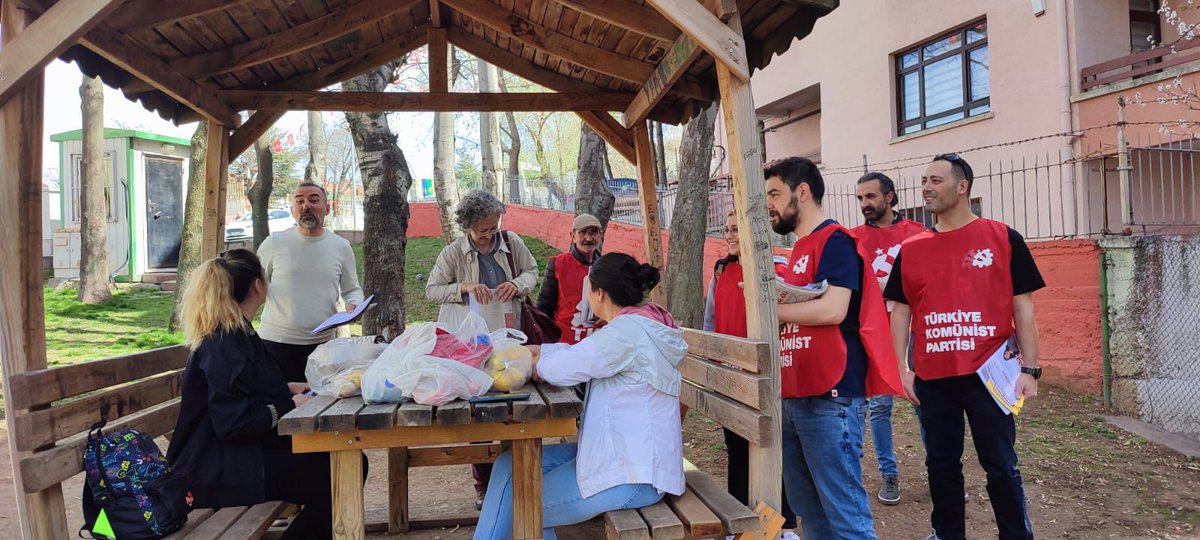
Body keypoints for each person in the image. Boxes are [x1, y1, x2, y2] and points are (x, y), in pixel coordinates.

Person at [884, 154, 1043, 540]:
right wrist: (901, 369)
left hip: (989, 376)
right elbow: (901, 313)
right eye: (924, 180)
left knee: (1001, 464)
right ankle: (947, 532)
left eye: (936, 180)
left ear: (962, 186)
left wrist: (1030, 369)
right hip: (933, 378)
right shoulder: (912, 249)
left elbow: (1022, 307)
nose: (926, 187)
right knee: (940, 463)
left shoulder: (1003, 238)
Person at [474, 253, 686, 540]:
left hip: (633, 473)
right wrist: (540, 351)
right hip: (621, 454)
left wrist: (527, 362)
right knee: (508, 465)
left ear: (598, 293)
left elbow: (568, 368)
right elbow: (584, 355)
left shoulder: (628, 332)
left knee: (523, 505)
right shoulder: (639, 325)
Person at [765, 156, 901, 540]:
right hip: (795, 393)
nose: (770, 204)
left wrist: (770, 310)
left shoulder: (836, 240)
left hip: (830, 395)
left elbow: (834, 308)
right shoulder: (801, 249)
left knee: (845, 517)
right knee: (811, 512)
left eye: (775, 193)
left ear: (802, 192)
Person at [167, 249, 332, 540]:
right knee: (338, 474)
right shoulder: (225, 344)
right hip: (221, 471)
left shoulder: (236, 334)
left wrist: (286, 389)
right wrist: (287, 404)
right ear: (258, 285)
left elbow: (245, 392)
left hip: (237, 459)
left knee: (337, 465)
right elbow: (231, 421)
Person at [425, 189, 539, 509]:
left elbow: (532, 272)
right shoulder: (453, 253)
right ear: (467, 227)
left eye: (494, 227)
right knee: (477, 413)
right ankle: (484, 485)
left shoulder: (512, 243)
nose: (489, 235)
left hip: (507, 338)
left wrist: (517, 285)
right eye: (482, 230)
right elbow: (432, 290)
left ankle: (514, 480)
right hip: (468, 343)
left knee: (511, 409)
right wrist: (463, 287)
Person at [701, 210, 799, 540]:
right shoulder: (721, 270)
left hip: (767, 374)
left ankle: (782, 524)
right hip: (731, 374)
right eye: (726, 229)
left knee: (772, 450)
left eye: (735, 228)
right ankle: (739, 519)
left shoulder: (775, 269)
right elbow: (711, 320)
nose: (728, 234)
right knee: (736, 447)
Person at [850, 172, 926, 505]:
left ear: (890, 197)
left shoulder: (917, 234)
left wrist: (890, 290)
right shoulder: (852, 239)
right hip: (875, 334)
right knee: (879, 407)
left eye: (871, 197)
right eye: (860, 199)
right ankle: (889, 474)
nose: (865, 204)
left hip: (914, 332)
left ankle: (938, 469)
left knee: (925, 403)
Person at [257, 182, 365, 383]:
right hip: (275, 344)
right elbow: (255, 287)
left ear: (327, 208)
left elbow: (353, 289)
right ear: (292, 210)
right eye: (299, 201)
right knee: (279, 408)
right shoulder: (274, 243)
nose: (306, 205)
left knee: (319, 408)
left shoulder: (340, 247)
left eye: (314, 200)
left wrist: (355, 305)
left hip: (322, 347)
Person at [536, 213, 604, 344]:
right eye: (583, 233)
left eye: (593, 232)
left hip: (598, 341)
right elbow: (544, 307)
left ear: (600, 236)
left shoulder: (608, 266)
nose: (588, 238)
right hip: (564, 341)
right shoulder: (558, 264)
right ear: (573, 236)